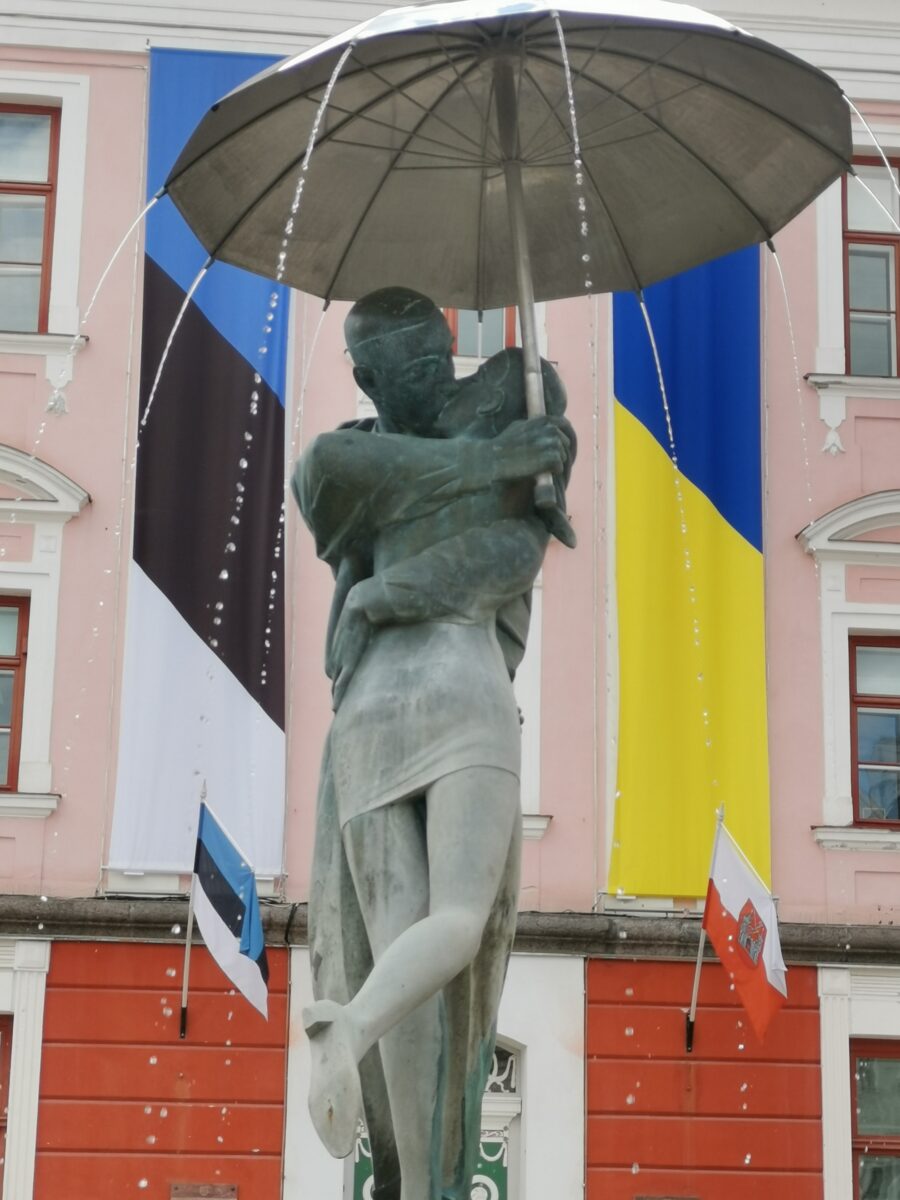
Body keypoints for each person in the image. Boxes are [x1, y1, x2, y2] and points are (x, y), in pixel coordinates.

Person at [293, 288, 575, 1200]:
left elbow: (506, 560)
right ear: (369, 378)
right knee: (452, 930)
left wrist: (378, 593)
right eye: (413, 367)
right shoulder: (386, 456)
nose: (435, 378)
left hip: (376, 711)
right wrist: (499, 460)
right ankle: (368, 1066)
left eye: (439, 359)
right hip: (456, 693)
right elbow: (503, 557)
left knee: (406, 950)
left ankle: (413, 1181)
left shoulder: (391, 465)